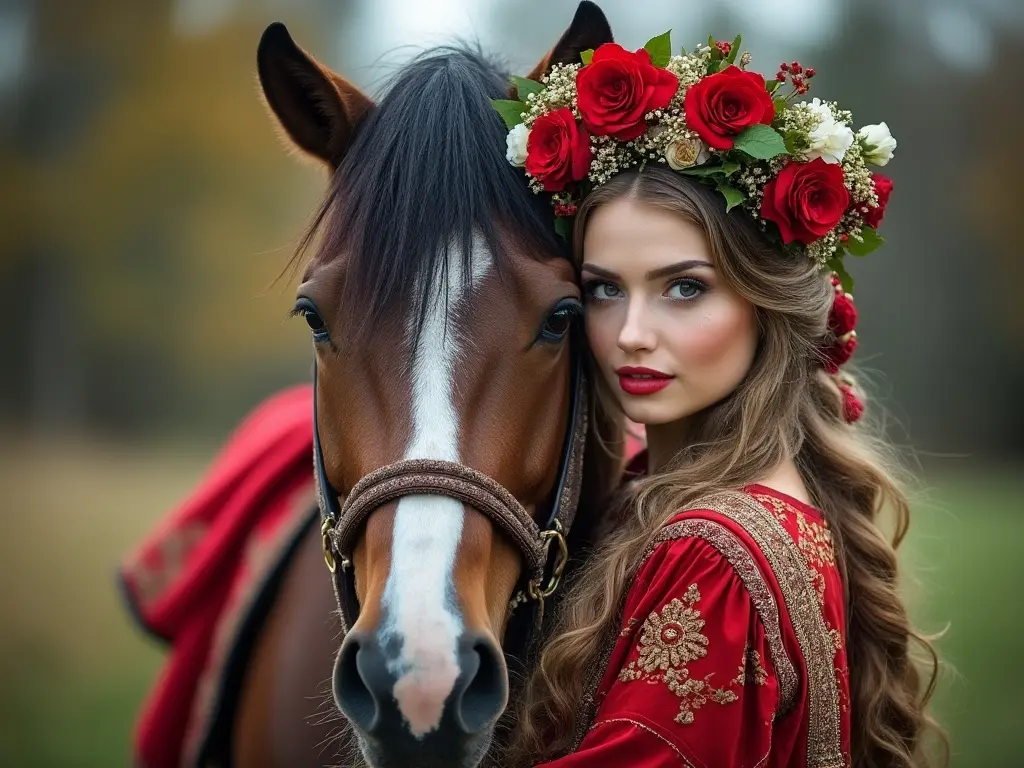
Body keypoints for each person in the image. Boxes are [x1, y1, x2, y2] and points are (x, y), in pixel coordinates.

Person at [495, 29, 944, 768]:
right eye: (605, 289)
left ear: (765, 303)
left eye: (684, 288)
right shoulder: (705, 500)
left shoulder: (714, 557)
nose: (631, 334)